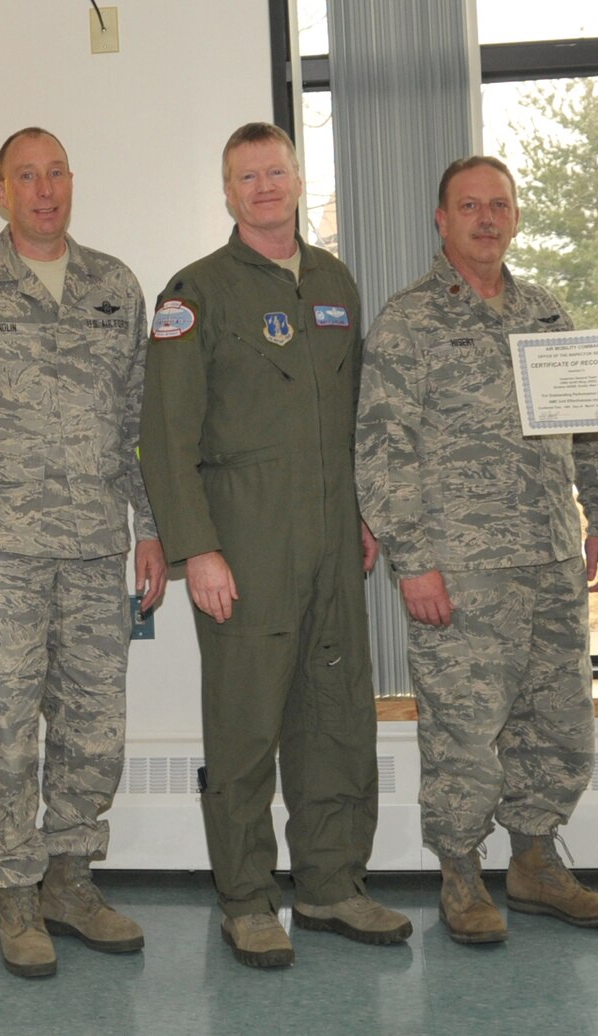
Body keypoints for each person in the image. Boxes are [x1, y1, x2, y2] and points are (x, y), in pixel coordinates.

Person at [0, 127, 166, 978]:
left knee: (93, 730)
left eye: (55, 175)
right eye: (26, 177)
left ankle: (71, 882)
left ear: (71, 183)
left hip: (92, 549)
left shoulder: (115, 286)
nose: (43, 190)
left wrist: (151, 526)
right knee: (5, 735)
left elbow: (138, 424)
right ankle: (15, 893)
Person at [138, 122, 407, 969]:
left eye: (276, 171)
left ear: (297, 179)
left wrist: (366, 513)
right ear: (227, 192)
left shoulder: (335, 282)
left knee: (334, 721)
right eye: (246, 176)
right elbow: (164, 434)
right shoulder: (196, 292)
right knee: (245, 730)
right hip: (245, 543)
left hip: (333, 539)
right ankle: (248, 899)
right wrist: (197, 550)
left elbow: (360, 411)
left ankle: (332, 886)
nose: (264, 187)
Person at [355, 156, 598, 945]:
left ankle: (537, 863)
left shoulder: (546, 315)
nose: (485, 218)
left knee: (559, 721)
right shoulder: (409, 323)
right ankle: (462, 875)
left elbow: (593, 427)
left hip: (549, 559)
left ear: (515, 217)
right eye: (468, 206)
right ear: (440, 221)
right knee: (463, 733)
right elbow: (380, 450)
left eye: (498, 205)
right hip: (461, 568)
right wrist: (415, 561)